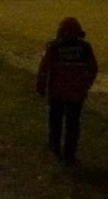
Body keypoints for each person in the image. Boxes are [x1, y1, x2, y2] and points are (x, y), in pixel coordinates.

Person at [36, 16, 99, 166]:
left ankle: (54, 145)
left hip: (57, 91)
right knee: (73, 123)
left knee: (55, 119)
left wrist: (41, 86)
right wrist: (85, 85)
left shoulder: (54, 46)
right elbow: (93, 69)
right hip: (76, 93)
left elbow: (44, 68)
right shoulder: (85, 48)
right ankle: (70, 152)